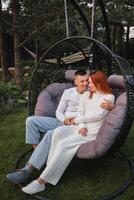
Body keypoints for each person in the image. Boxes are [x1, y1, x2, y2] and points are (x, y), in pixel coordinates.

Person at [7, 71, 115, 194]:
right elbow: (80, 111)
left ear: (98, 82)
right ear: (75, 82)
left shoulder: (107, 98)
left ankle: (41, 181)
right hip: (73, 124)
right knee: (56, 132)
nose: (87, 84)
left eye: (89, 82)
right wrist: (74, 123)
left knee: (63, 144)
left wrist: (78, 121)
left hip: (88, 130)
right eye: (84, 81)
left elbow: (96, 115)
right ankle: (48, 166)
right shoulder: (82, 94)